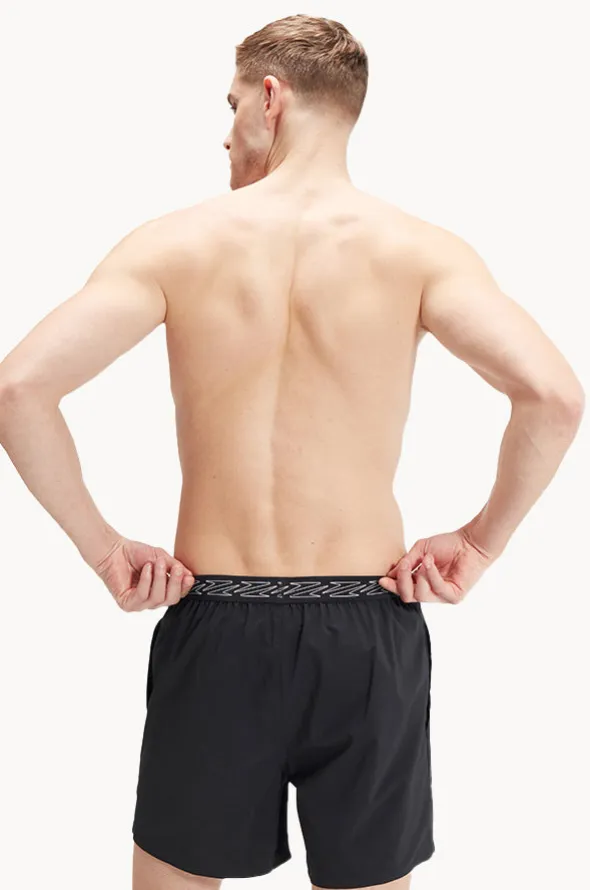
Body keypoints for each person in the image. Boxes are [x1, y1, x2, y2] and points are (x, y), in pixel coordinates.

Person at [0, 12, 584, 890]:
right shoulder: (421, 252)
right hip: (367, 625)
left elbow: (19, 390)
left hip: (216, 621)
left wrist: (106, 552)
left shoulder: (175, 244)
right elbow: (554, 396)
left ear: (270, 99)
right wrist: (480, 543)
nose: (225, 131)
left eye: (231, 104)